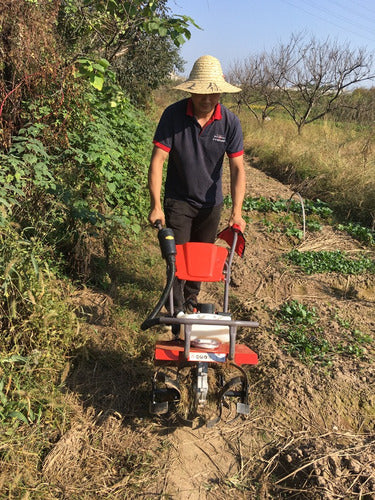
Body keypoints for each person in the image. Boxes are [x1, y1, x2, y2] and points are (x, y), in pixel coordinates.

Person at [148, 55, 246, 314]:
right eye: (202, 93)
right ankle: (176, 313)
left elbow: (238, 168)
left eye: (213, 94)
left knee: (201, 261)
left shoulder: (230, 122)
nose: (207, 100)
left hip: (211, 204)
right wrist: (156, 206)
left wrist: (237, 212)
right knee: (178, 261)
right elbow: (158, 160)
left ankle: (190, 302)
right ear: (192, 90)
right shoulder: (173, 115)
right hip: (179, 200)